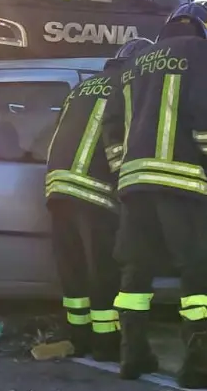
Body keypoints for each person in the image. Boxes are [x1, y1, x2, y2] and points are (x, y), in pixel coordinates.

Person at [103, 2, 207, 390]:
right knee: (199, 273)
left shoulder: (135, 62)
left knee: (136, 271)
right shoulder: (200, 52)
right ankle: (199, 363)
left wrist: (125, 175)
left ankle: (132, 356)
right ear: (205, 30)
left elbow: (112, 130)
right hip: (183, 183)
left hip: (134, 186)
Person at [45, 36, 154, 362]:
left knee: (73, 269)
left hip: (58, 187)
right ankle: (106, 343)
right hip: (94, 190)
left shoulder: (82, 87)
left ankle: (78, 335)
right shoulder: (128, 88)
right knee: (102, 270)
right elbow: (121, 138)